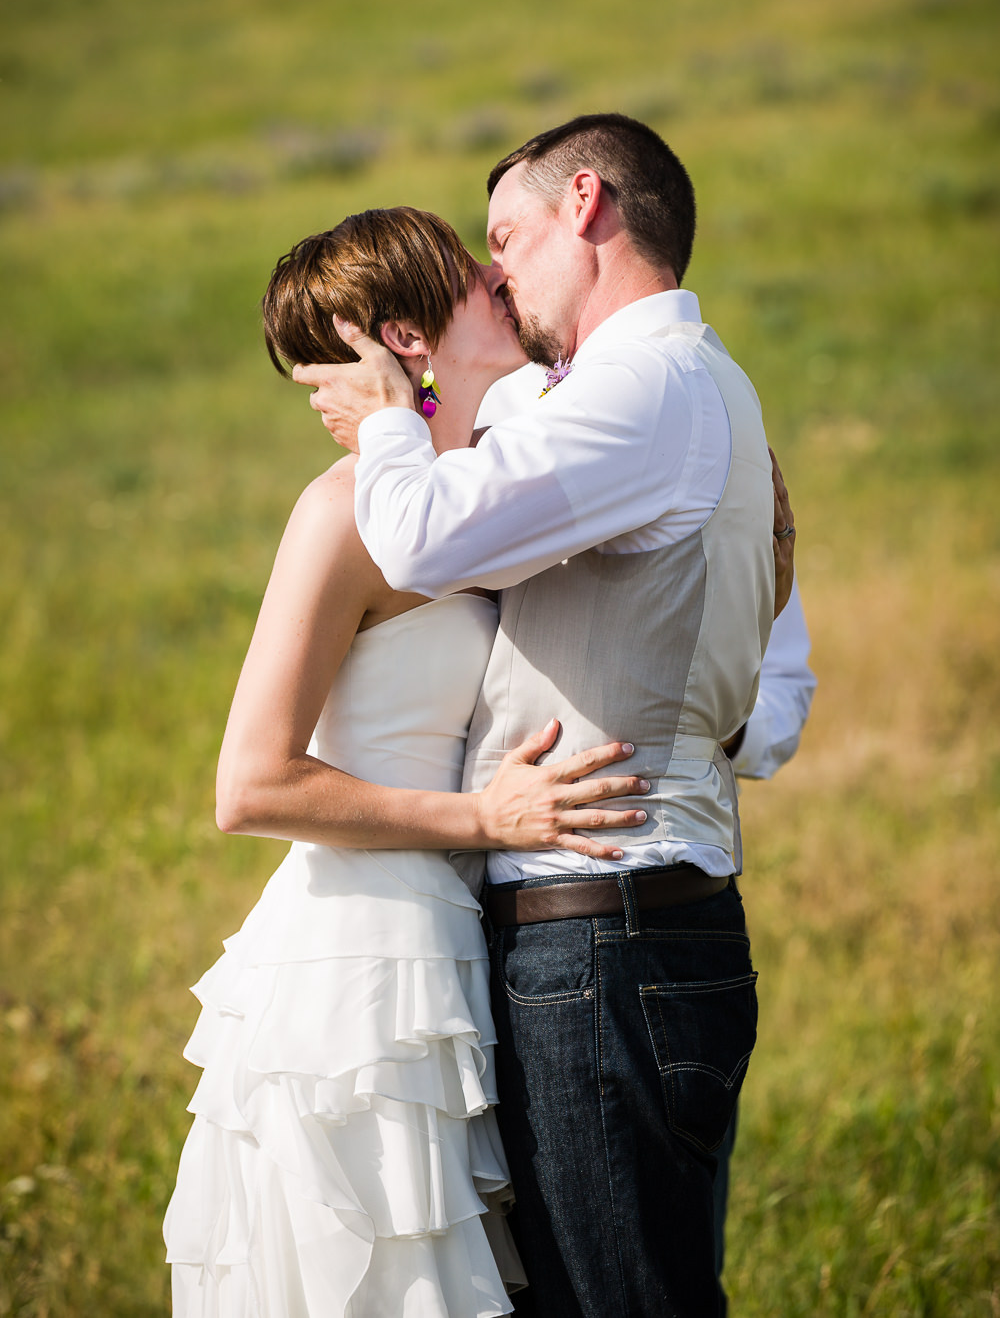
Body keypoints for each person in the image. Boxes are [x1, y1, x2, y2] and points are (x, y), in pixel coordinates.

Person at [293, 113, 792, 1317]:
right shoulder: (695, 386)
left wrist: (385, 425)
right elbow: (774, 701)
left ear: (584, 205)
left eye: (506, 234)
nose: (497, 269)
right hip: (636, 927)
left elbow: (413, 527)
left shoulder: (644, 389)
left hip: (602, 935)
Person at [162, 206, 653, 1316]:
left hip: (468, 948)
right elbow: (252, 785)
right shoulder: (340, 515)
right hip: (363, 983)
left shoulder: (486, 494)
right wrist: (489, 820)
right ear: (405, 337)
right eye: (468, 274)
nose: (497, 276)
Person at [476, 365, 817, 1297]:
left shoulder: (703, 437)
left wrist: (688, 698)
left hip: (633, 917)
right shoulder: (494, 434)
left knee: (650, 1275)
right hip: (479, 933)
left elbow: (782, 695)